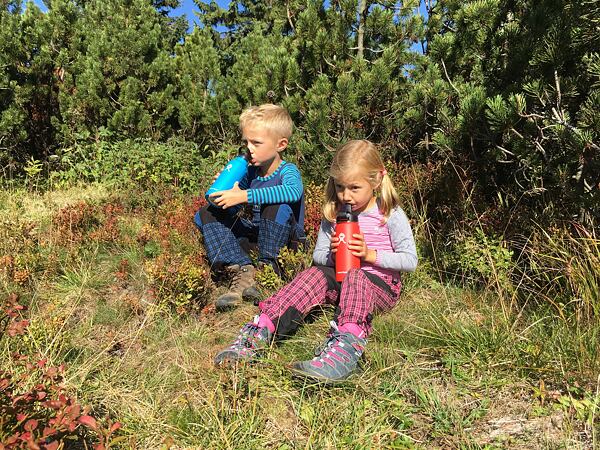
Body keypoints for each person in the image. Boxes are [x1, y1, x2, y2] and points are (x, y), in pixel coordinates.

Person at [214, 139, 418, 382]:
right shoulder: (334, 213)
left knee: (357, 276)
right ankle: (258, 331)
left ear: (376, 179)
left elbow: (410, 260)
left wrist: (370, 255)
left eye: (354, 188)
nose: (346, 195)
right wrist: (333, 252)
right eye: (340, 187)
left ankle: (345, 348)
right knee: (313, 274)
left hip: (378, 285)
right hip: (340, 278)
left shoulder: (389, 213)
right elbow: (318, 256)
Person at [194, 104, 305, 312]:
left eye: (256, 142)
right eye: (246, 142)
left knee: (276, 205)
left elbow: (293, 192)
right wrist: (224, 194)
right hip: (257, 237)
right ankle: (243, 270)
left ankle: (268, 273)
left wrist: (243, 195)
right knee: (207, 214)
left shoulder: (288, 171)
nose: (249, 148)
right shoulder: (251, 172)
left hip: (285, 245)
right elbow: (233, 208)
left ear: (281, 144)